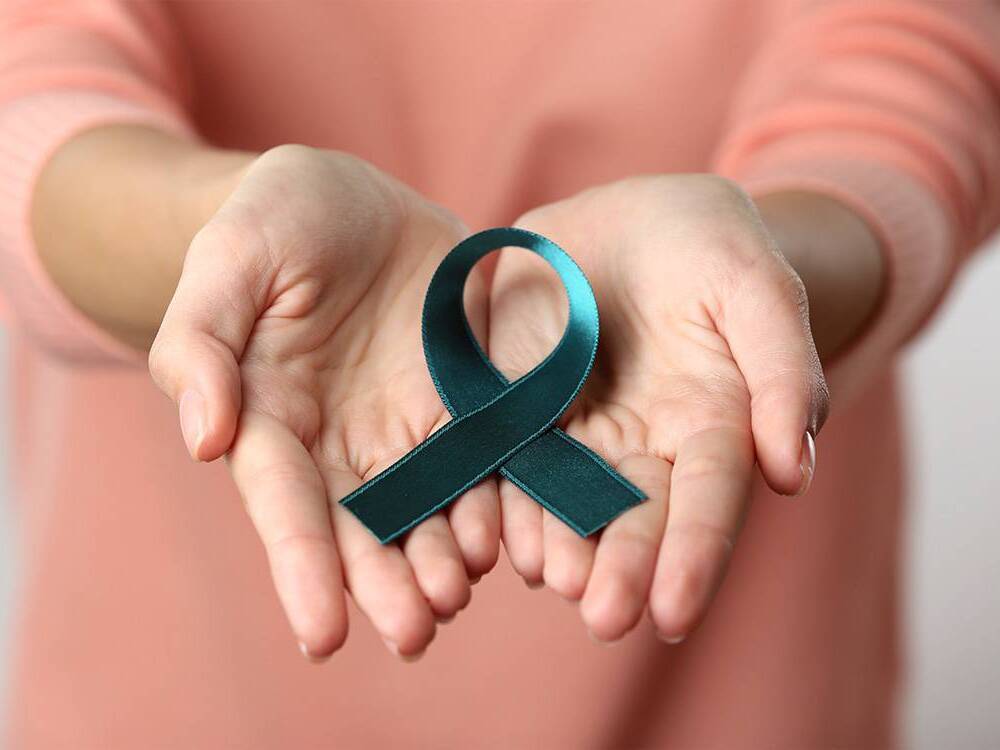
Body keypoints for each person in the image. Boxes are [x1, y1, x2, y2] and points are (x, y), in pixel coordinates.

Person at [0, 2, 997, 747]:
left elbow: (909, 63)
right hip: (180, 662)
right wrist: (221, 241)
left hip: (727, 654)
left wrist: (764, 278)